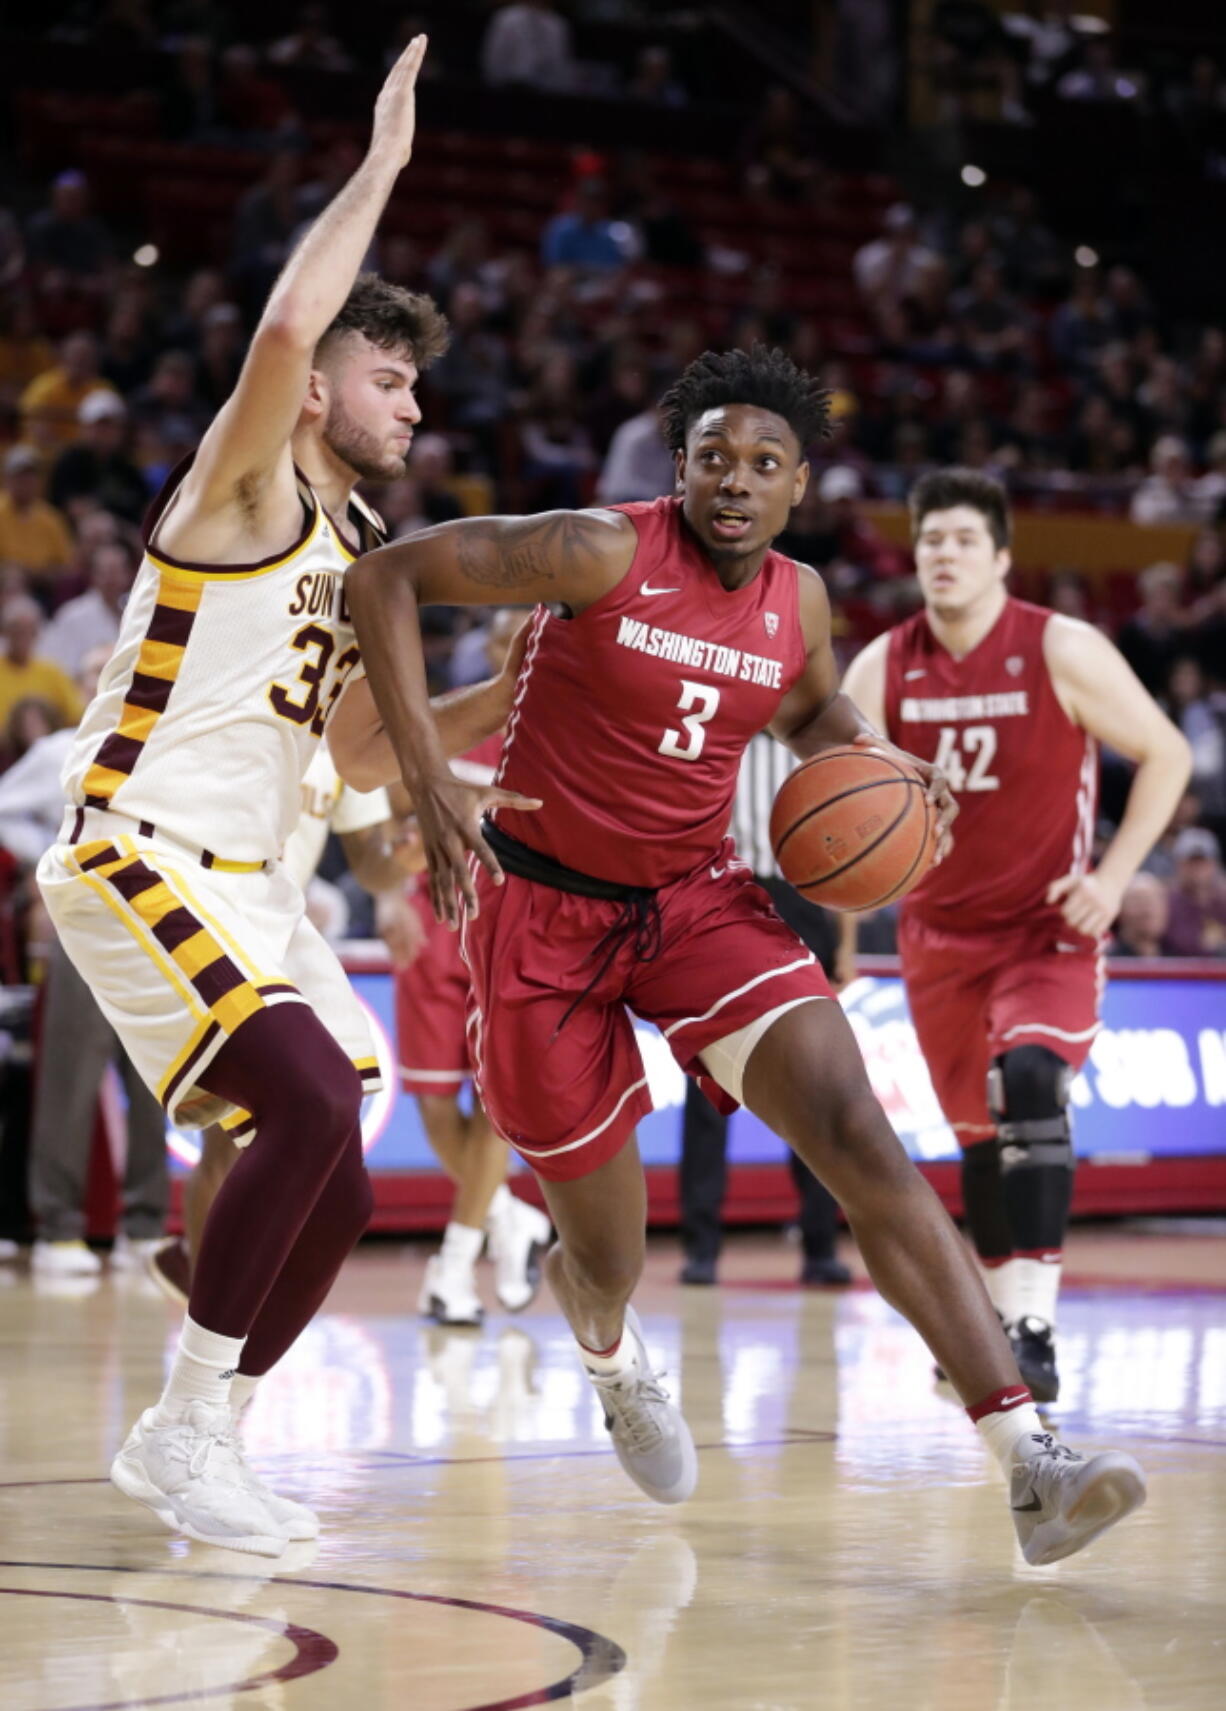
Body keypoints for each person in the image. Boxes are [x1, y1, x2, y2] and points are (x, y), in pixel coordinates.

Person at [345, 345, 1147, 1567]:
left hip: (695, 898)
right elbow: (387, 576)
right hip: (543, 917)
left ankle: (1027, 1456)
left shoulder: (800, 601)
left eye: (763, 462)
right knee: (605, 1250)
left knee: (856, 1130)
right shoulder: (594, 548)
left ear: (797, 484)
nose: (735, 477)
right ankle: (610, 1351)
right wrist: (425, 779)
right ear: (676, 467)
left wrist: (880, 755)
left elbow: (812, 709)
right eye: (712, 455)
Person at [35, 35, 535, 1560]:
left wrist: (508, 687)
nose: (412, 407)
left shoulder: (358, 543)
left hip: (252, 879)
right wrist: (381, 166)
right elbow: (278, 327)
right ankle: (181, 1424)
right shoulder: (240, 488)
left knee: (341, 1165)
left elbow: (375, 755)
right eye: (389, 378)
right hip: (137, 847)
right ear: (319, 389)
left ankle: (208, 1430)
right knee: (308, 1092)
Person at [840, 467, 1191, 1404]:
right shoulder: (882, 665)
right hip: (937, 937)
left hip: (1047, 928)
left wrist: (1115, 880)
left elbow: (1168, 750)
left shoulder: (1060, 646)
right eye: (928, 542)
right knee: (981, 1142)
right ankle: (1002, 1326)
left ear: (1001, 556)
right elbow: (838, 799)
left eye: (961, 540)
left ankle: (1033, 1327)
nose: (942, 556)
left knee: (1028, 1081)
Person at [146, 737, 415, 1306]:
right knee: (229, 1135)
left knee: (282, 1132)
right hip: (213, 925)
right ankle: (209, 1315)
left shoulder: (346, 737)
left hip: (282, 939)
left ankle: (199, 1279)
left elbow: (371, 865)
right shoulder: (245, 707)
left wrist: (405, 866)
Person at [392, 610, 550, 1327]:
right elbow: (393, 826)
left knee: (493, 1110)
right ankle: (511, 1219)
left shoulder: (558, 738)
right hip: (434, 922)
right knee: (430, 1105)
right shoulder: (444, 724)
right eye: (499, 635)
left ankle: (453, 1266)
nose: (510, 645)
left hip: (512, 933)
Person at [678, 731, 851, 1289]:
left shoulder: (812, 745)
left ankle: (820, 1244)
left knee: (813, 1079)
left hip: (803, 900)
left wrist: (844, 942)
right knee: (708, 1086)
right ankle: (701, 1248)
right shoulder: (711, 734)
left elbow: (843, 848)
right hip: (721, 898)